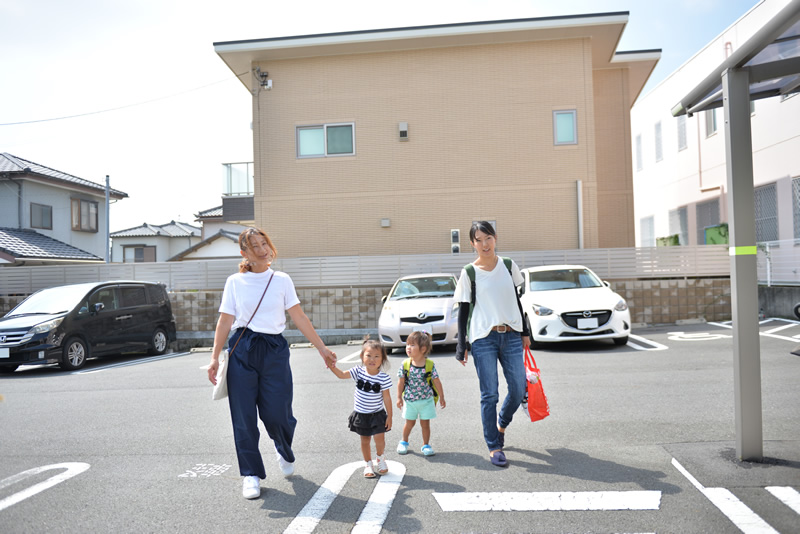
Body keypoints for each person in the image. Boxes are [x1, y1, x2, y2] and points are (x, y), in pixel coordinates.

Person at [207, 227, 337, 500]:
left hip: (274, 350)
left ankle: (283, 447)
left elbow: (299, 317)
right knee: (243, 417)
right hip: (242, 349)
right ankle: (251, 473)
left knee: (278, 412)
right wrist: (214, 358)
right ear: (244, 253)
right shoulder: (234, 282)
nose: (263, 249)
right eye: (254, 246)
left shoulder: (281, 280)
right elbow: (225, 321)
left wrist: (322, 348)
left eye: (264, 243)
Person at [454, 221, 530, 468]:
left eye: (488, 238)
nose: (484, 244)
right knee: (490, 394)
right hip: (482, 338)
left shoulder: (508, 266)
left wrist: (525, 331)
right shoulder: (469, 272)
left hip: (511, 335)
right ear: (472, 244)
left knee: (518, 389)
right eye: (479, 239)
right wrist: (461, 343)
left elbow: (516, 302)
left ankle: (502, 424)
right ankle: (494, 445)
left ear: (495, 238)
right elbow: (463, 310)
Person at [329, 339, 393, 478]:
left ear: (382, 359)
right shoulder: (358, 371)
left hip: (377, 414)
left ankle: (380, 458)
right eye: (368, 355)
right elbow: (342, 375)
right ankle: (368, 463)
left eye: (377, 356)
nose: (372, 359)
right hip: (361, 414)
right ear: (362, 356)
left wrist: (390, 416)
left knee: (379, 438)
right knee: (365, 440)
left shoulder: (383, 378)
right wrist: (332, 366)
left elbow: (387, 398)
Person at [396, 330, 446, 457]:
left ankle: (426, 445)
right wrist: (398, 397)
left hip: (426, 400)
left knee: (425, 424)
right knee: (409, 423)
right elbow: (401, 382)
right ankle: (404, 442)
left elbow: (436, 381)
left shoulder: (429, 364)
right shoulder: (405, 364)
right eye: (407, 344)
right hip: (410, 400)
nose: (408, 348)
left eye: (412, 345)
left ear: (423, 349)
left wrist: (441, 397)